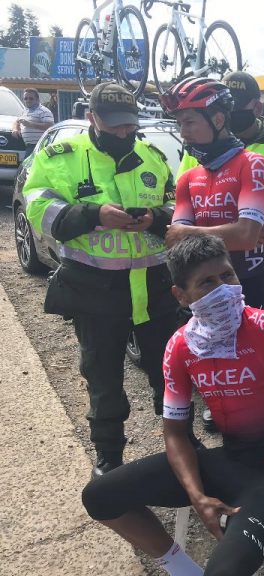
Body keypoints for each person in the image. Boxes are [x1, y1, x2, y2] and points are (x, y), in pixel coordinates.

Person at [81, 234, 264, 576]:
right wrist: (197, 495)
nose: (224, 288)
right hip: (227, 459)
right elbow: (175, 433)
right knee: (99, 496)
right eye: (207, 282)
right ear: (181, 296)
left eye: (227, 276)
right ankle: (183, 569)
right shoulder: (180, 347)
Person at [24, 82, 179, 477]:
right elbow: (38, 207)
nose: (124, 133)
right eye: (114, 126)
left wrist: (156, 219)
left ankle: (180, 446)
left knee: (169, 372)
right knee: (103, 376)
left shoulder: (152, 157)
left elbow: (176, 204)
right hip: (95, 293)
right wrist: (93, 215)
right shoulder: (63, 156)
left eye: (129, 125)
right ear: (92, 118)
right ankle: (109, 455)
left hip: (154, 289)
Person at [178, 71, 264, 316]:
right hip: (216, 253)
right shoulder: (199, 150)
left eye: (239, 106)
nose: (231, 115)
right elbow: (184, 201)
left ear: (257, 108)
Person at [163, 76, 264, 310]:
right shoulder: (188, 178)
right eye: (179, 124)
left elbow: (245, 235)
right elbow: (175, 242)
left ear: (218, 119)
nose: (183, 132)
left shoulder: (253, 164)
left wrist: (187, 232)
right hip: (201, 293)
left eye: (189, 122)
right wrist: (232, 233)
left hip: (246, 288)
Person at [12, 88, 55, 156]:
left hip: (40, 146)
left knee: (28, 166)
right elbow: (17, 121)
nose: (28, 100)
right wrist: (15, 129)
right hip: (27, 146)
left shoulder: (44, 111)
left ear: (37, 99)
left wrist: (31, 124)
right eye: (25, 98)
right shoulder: (25, 111)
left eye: (31, 98)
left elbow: (50, 126)